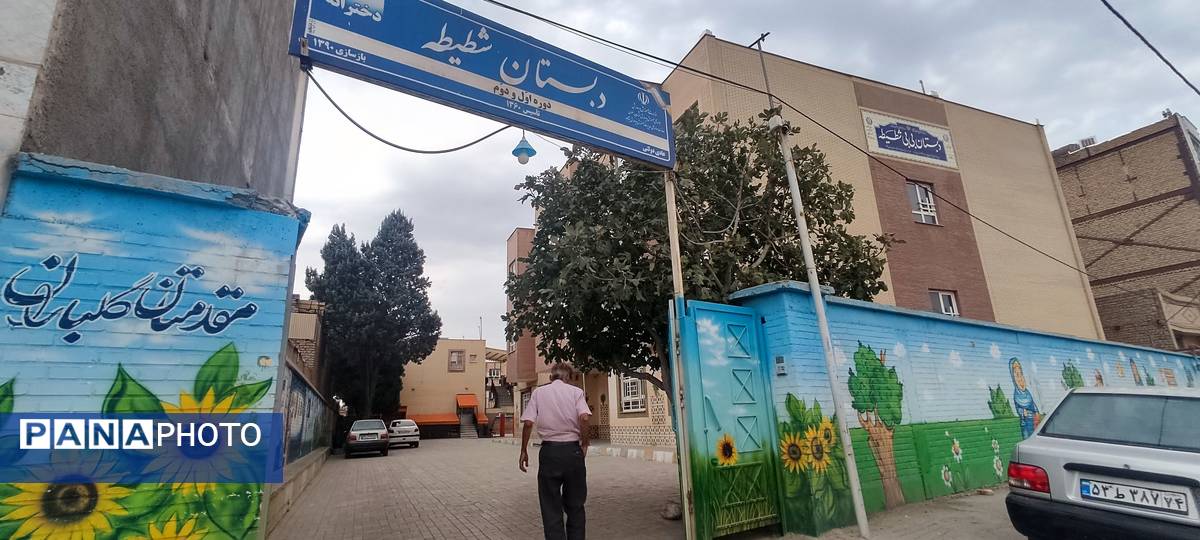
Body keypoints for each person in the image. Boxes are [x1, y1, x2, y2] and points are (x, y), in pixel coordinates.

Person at [519, 363, 591, 540]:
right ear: (569, 378)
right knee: (575, 506)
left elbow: (528, 423)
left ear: (551, 377)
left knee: (550, 506)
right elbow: (584, 418)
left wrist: (523, 450)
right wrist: (584, 444)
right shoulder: (576, 392)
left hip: (549, 453)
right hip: (572, 452)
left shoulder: (538, 393)